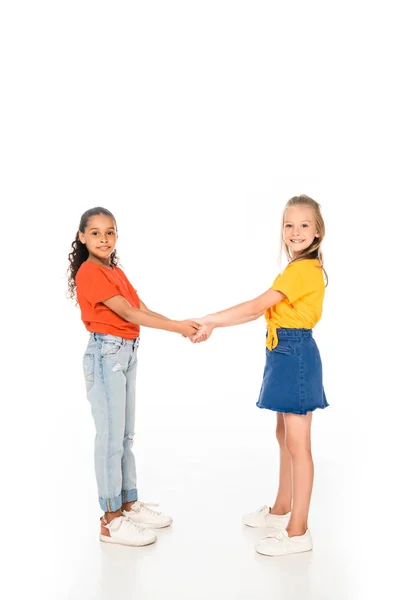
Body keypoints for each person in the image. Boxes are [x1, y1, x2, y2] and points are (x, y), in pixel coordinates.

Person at [191, 195, 328, 556]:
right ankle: (282, 508)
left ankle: (298, 532)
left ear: (317, 232)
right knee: (283, 434)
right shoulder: (296, 268)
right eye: (288, 225)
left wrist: (210, 320)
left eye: (303, 225)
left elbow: (254, 308)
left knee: (299, 444)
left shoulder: (302, 270)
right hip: (282, 352)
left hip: (294, 354)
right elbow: (259, 312)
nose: (295, 232)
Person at [67, 207, 200, 547]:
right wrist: (177, 328)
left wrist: (180, 325)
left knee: (125, 436)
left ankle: (128, 503)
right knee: (110, 439)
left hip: (126, 351)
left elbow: (139, 307)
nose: (103, 238)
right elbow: (126, 313)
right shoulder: (89, 272)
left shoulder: (115, 271)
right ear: (82, 237)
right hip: (106, 354)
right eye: (95, 232)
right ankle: (111, 519)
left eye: (109, 232)